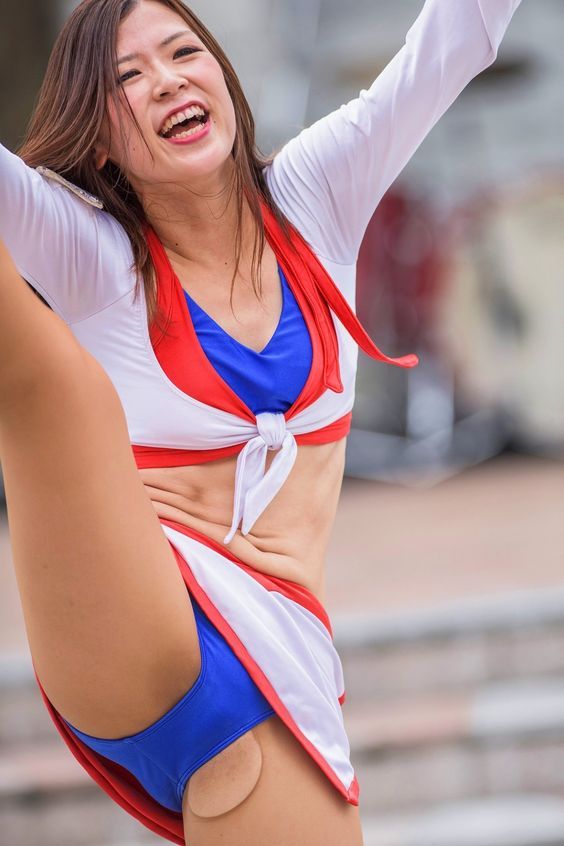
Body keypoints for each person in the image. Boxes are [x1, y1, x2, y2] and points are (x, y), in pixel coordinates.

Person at [0, 0, 522, 843]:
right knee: (58, 387)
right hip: (138, 630)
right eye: (128, 77)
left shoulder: (318, 190)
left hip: (272, 657)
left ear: (222, 75)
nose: (166, 81)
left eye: (183, 52)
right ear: (98, 143)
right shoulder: (90, 253)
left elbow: (456, 39)